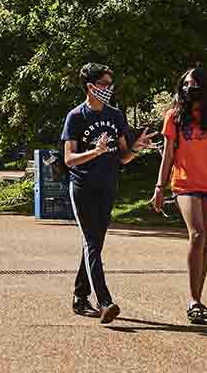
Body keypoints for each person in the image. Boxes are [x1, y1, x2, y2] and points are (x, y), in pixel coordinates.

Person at [61, 63, 155, 324]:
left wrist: (137, 148)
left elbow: (123, 157)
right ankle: (105, 302)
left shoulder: (115, 115)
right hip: (82, 187)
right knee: (91, 242)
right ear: (90, 86)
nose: (108, 89)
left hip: (108, 185)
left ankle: (80, 297)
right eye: (104, 84)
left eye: (110, 84)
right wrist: (95, 152)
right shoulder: (76, 117)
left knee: (94, 244)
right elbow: (69, 159)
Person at [151, 68, 207, 324]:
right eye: (185, 84)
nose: (189, 88)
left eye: (194, 84)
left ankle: (199, 298)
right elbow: (168, 154)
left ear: (204, 86)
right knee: (197, 234)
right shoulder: (175, 116)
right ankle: (192, 300)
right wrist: (159, 187)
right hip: (185, 183)